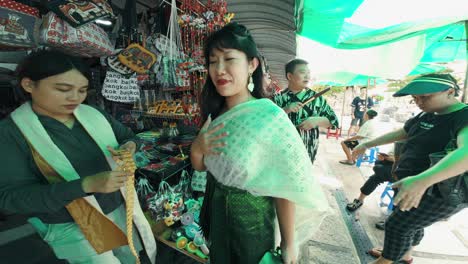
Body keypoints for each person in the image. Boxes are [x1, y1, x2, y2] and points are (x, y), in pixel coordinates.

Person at [0, 50, 156, 264]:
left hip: (118, 207)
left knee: (131, 256)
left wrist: (129, 146)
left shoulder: (93, 114)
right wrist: (85, 185)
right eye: (63, 89)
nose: (75, 98)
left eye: (82, 90)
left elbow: (128, 137)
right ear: (28, 85)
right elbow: (11, 199)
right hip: (71, 223)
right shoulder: (11, 133)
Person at [191, 23, 328, 264]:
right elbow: (201, 166)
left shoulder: (268, 116)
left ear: (252, 65)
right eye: (213, 61)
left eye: (229, 59)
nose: (219, 70)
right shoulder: (215, 113)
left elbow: (285, 184)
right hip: (217, 217)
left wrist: (288, 243)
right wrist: (198, 148)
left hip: (251, 225)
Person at [352, 73, 468, 264]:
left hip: (441, 190)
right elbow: (404, 133)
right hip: (411, 181)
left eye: (425, 97)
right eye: (415, 98)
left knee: (398, 225)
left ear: (450, 91)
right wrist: (367, 144)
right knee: (411, 222)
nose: (419, 102)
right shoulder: (428, 113)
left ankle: (387, 260)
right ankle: (405, 254)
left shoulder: (463, 115)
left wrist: (422, 181)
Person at [274, 59, 339, 163]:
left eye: (308, 73)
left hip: (308, 154)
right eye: (302, 72)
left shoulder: (317, 98)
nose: (307, 76)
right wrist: (285, 110)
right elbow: (270, 123)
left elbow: (334, 122)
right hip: (282, 154)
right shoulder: (278, 98)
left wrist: (317, 121)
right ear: (289, 76)